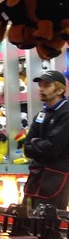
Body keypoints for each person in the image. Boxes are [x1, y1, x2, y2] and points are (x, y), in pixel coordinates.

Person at [23, 69, 69, 210]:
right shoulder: (41, 114)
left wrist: (35, 143)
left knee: (48, 223)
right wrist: (37, 145)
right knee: (28, 221)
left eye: (47, 85)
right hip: (36, 176)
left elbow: (53, 148)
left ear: (60, 89)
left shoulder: (66, 113)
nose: (41, 89)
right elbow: (26, 148)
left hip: (56, 177)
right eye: (40, 85)